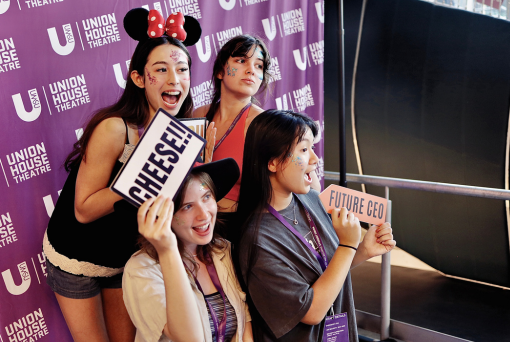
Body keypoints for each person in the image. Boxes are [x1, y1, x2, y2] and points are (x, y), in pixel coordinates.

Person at [42, 8, 202, 342]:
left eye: (182, 69)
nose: (175, 80)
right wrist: (140, 173)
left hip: (124, 258)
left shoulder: (181, 130)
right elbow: (83, 210)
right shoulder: (115, 129)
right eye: (162, 69)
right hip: (77, 256)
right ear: (139, 78)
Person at [236, 110, 396, 341]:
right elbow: (311, 311)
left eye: (312, 148)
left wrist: (362, 250)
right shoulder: (257, 240)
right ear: (272, 162)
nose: (314, 159)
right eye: (303, 150)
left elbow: (324, 271)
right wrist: (348, 245)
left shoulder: (310, 199)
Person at [123, 159, 253, 342]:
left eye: (207, 197)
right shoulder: (141, 270)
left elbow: (244, 322)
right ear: (161, 216)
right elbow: (189, 338)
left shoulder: (222, 250)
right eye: (187, 206)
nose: (204, 214)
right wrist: (167, 250)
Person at [193, 35, 271, 212]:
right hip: (196, 224)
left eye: (259, 65)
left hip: (240, 229)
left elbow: (309, 187)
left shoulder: (263, 124)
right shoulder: (199, 115)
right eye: (242, 60)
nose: (251, 70)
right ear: (220, 71)